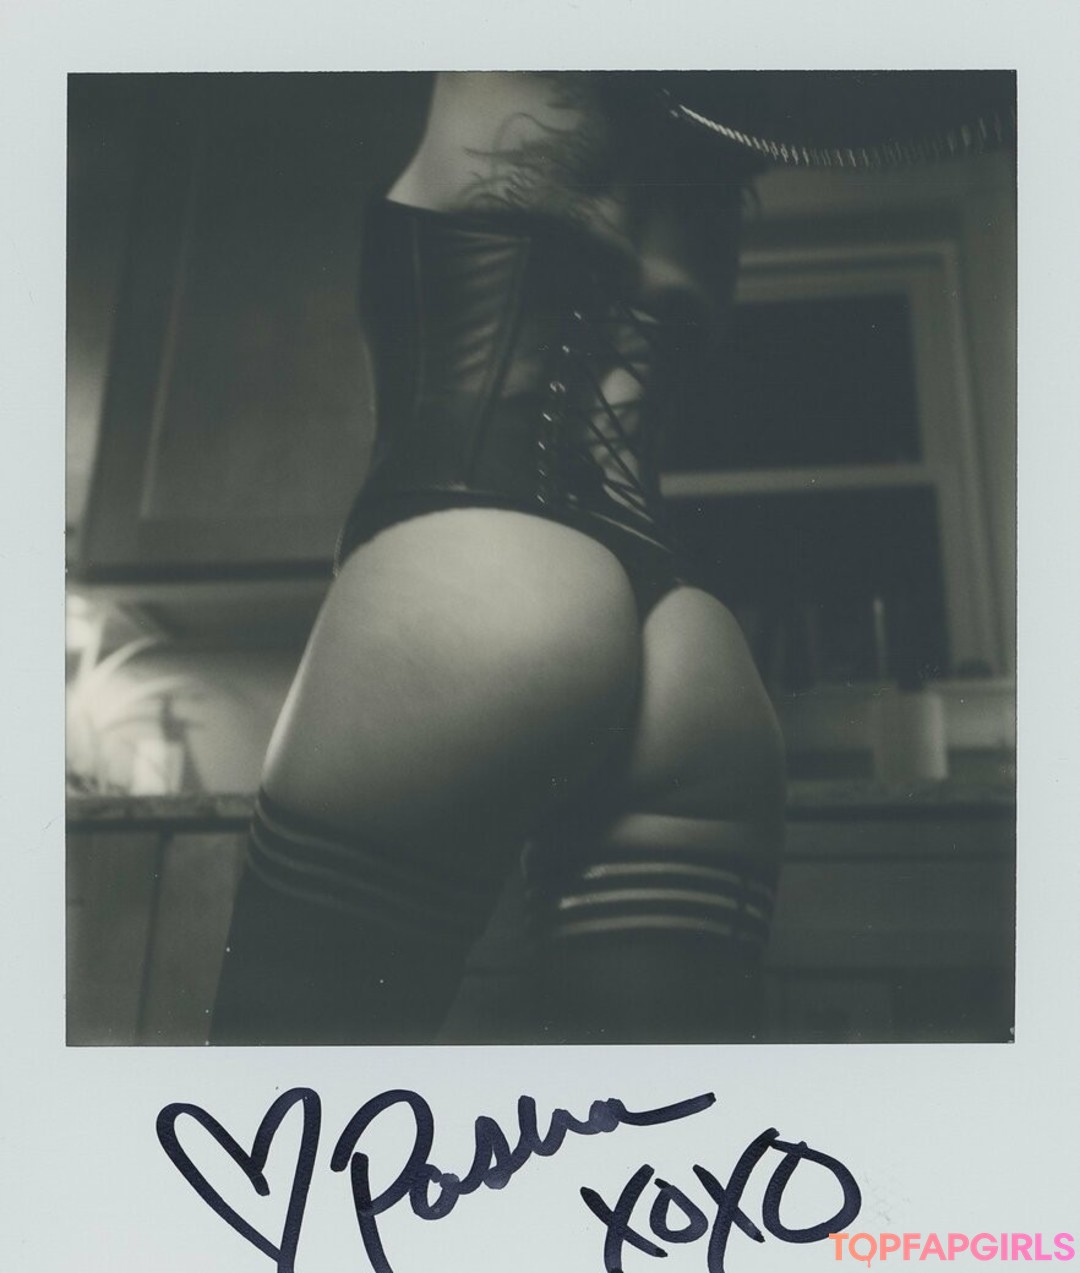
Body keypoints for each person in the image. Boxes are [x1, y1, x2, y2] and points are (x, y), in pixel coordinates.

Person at [213, 68, 1016, 1046]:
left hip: (483, 575)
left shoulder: (517, 65)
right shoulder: (727, 151)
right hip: (692, 655)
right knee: (655, 1127)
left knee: (278, 1103)